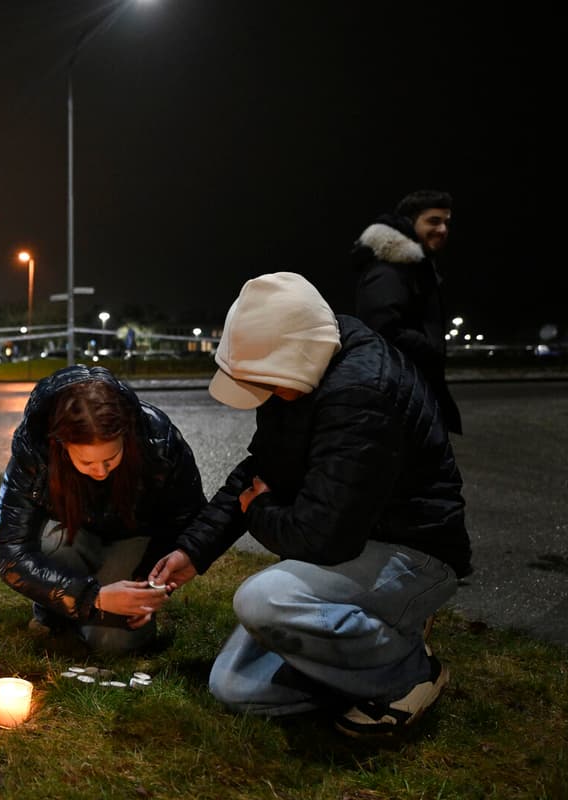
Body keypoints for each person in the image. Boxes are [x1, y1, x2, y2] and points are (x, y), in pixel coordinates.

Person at [150, 272, 472, 738]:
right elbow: (259, 471)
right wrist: (193, 552)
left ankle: (409, 672)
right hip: (352, 543)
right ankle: (370, 658)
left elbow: (321, 537)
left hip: (412, 550)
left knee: (263, 599)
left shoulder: (361, 392)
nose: (265, 396)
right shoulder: (306, 367)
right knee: (232, 687)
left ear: (291, 358)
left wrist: (258, 509)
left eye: (267, 385)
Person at [0, 365, 205, 654]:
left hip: (134, 540)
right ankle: (57, 613)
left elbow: (188, 518)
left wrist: (150, 584)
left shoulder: (158, 439)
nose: (101, 472)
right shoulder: (35, 449)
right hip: (71, 535)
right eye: (88, 463)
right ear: (62, 445)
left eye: (111, 458)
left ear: (126, 436)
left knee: (113, 643)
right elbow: (11, 551)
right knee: (51, 543)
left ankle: (76, 614)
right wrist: (94, 597)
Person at [351, 189, 461, 434]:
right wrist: (428, 348)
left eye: (447, 222)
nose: (443, 230)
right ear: (409, 222)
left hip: (410, 393)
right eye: (433, 221)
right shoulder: (389, 271)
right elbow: (380, 331)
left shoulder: (414, 268)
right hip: (399, 399)